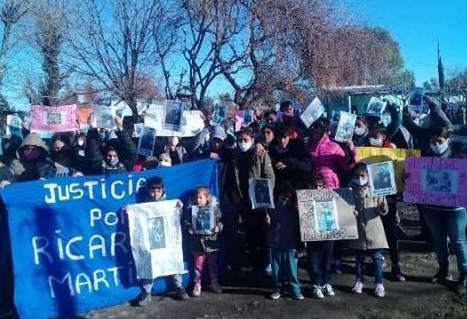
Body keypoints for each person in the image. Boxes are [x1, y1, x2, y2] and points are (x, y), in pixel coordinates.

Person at [417, 127, 467, 295]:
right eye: (433, 141)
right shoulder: (424, 158)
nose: (436, 145)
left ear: (448, 141)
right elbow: (416, 180)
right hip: (431, 207)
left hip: (455, 208)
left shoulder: (459, 158)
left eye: (440, 141)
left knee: (458, 241)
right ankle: (443, 269)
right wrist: (409, 177)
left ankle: (464, 273)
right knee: (438, 240)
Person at [221, 126, 275, 278]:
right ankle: (256, 265)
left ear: (252, 140)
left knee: (262, 234)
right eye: (240, 140)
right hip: (242, 200)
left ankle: (266, 264)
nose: (242, 143)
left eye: (245, 140)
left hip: (258, 201)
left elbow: (270, 176)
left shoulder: (260, 153)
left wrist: (263, 196)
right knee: (250, 235)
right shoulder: (234, 155)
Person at [130, 177, 188, 307]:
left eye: (158, 190)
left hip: (166, 239)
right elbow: (137, 216)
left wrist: (179, 207)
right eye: (152, 190)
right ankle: (147, 292)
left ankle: (179, 287)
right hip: (151, 241)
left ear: (162, 190)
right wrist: (130, 212)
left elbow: (175, 217)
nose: (155, 194)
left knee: (173, 258)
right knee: (147, 262)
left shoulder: (168, 204)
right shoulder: (143, 206)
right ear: (147, 191)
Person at [348, 162, 389, 298]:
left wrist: (383, 207)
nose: (359, 178)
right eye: (356, 175)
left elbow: (384, 210)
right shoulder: (349, 190)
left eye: (362, 175)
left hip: (374, 229)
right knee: (359, 258)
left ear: (368, 175)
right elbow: (346, 208)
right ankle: (359, 281)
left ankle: (379, 284)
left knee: (377, 258)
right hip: (358, 230)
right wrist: (350, 212)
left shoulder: (376, 189)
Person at [265, 183, 304, 300]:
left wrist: (301, 246)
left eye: (288, 197)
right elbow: (267, 228)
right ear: (278, 195)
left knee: (292, 271)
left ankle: (295, 290)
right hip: (275, 244)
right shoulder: (271, 209)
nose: (286, 199)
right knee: (277, 272)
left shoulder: (296, 211)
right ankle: (277, 289)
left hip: (291, 246)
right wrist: (267, 223)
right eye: (283, 196)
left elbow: (300, 229)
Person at [185, 186, 223, 296]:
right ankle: (197, 284)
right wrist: (189, 228)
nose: (198, 200)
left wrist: (218, 228)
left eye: (200, 197)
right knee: (198, 265)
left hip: (211, 242)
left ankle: (214, 282)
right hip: (197, 243)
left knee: (213, 264)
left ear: (207, 198)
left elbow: (220, 222)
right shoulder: (192, 211)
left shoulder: (214, 209)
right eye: (196, 198)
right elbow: (187, 222)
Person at [306, 174, 336, 299]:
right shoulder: (305, 199)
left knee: (327, 261)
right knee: (314, 261)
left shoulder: (330, 198)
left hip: (328, 235)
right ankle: (316, 284)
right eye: (315, 186)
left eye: (320, 186)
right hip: (313, 236)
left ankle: (326, 283)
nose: (318, 189)